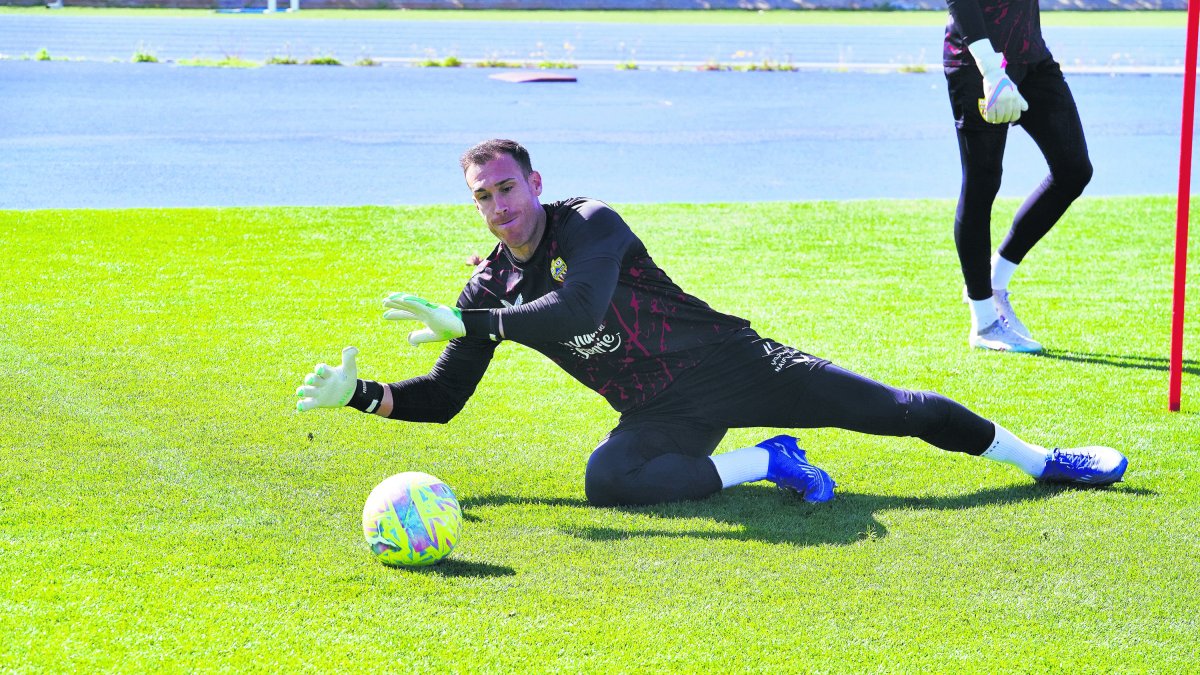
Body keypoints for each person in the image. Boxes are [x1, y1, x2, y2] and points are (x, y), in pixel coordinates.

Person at [295, 139, 1125, 508]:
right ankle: (765, 461)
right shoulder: (486, 287)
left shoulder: (590, 223)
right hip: (662, 411)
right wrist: (359, 394)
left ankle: (1045, 458)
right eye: (483, 196)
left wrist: (476, 322)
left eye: (508, 188)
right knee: (606, 482)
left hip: (731, 362)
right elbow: (443, 400)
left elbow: (578, 307)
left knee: (895, 412)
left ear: (535, 182)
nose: (499, 207)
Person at [943, 0, 1092, 352]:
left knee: (1074, 170)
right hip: (978, 65)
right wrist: (991, 70)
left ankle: (993, 281)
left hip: (1032, 59)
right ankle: (984, 321)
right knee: (983, 182)